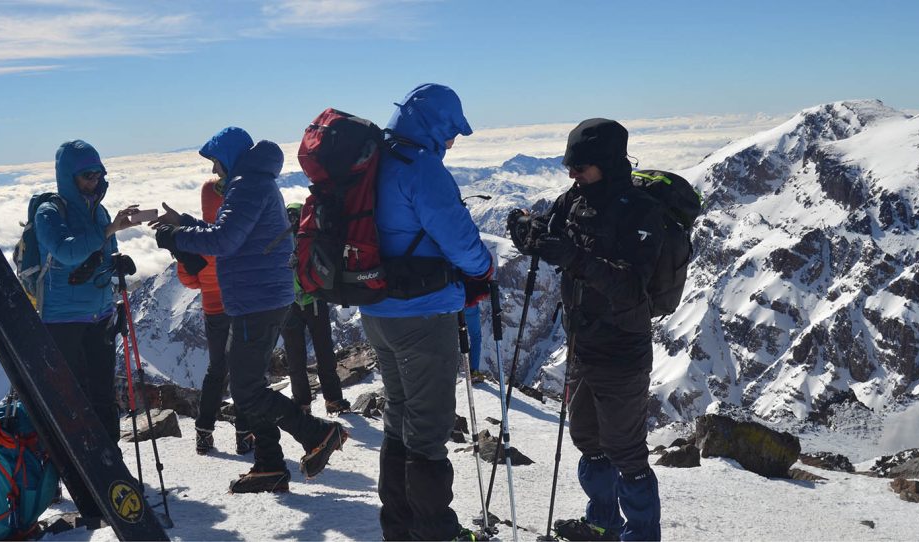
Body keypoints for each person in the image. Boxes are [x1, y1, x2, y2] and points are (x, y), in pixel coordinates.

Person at [151, 126, 348, 493]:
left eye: (215, 162)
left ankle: (319, 433)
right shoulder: (253, 181)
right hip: (261, 296)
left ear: (227, 156)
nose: (214, 172)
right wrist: (185, 224)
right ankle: (269, 466)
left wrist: (176, 238)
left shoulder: (246, 185)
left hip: (256, 299)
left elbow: (225, 240)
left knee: (245, 390)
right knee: (250, 385)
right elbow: (233, 231)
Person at [514, 118, 664, 541]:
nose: (571, 174)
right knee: (588, 441)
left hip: (622, 347)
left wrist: (574, 257)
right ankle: (602, 524)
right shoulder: (574, 200)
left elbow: (632, 286)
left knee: (627, 454)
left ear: (607, 163)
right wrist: (528, 231)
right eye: (570, 166)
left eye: (580, 168)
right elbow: (551, 234)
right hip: (582, 342)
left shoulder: (641, 212)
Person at [360, 84, 493, 541]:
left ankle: (398, 526)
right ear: (435, 126)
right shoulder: (422, 169)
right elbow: (460, 242)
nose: (453, 143)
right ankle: (436, 533)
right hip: (422, 313)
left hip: (376, 310)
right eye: (451, 131)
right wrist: (483, 270)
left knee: (399, 416)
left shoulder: (375, 161)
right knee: (429, 429)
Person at [34, 140, 139, 443]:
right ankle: (71, 466)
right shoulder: (50, 212)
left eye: (97, 174)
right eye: (87, 175)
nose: (94, 180)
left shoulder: (100, 211)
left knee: (103, 395)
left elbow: (104, 253)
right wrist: (108, 230)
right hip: (63, 320)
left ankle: (110, 465)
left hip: (100, 313)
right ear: (69, 176)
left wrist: (117, 264)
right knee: (71, 398)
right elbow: (67, 253)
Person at [174, 175, 254, 456]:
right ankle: (245, 434)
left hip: (212, 309)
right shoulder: (237, 231)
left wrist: (207, 282)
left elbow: (188, 279)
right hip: (240, 306)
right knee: (242, 370)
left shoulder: (198, 238)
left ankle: (204, 434)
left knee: (216, 370)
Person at [282, 203, 351, 415]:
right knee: (324, 352)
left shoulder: (279, 240)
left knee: (295, 357)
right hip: (315, 299)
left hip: (288, 303)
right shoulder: (309, 237)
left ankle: (302, 404)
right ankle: (333, 399)